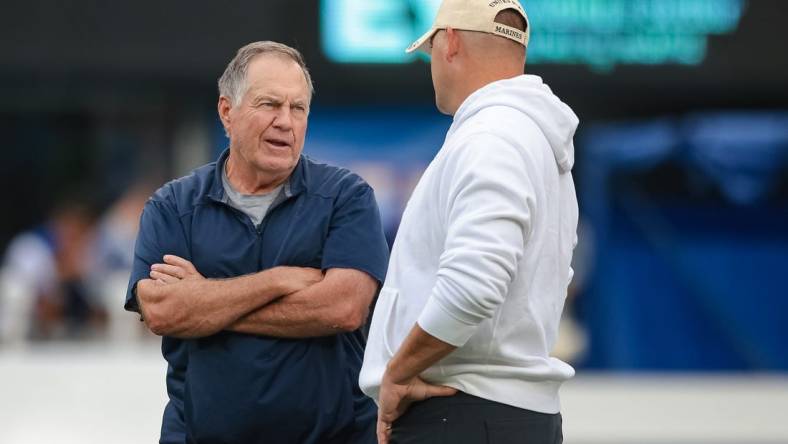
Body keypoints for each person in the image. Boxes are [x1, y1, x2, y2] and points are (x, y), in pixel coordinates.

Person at [125, 41, 389, 444]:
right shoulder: (173, 206)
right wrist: (278, 280)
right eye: (270, 104)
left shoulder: (346, 197)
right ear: (227, 112)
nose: (286, 121)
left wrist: (205, 306)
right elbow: (163, 311)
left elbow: (343, 307)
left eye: (297, 108)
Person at [359, 1, 579, 443]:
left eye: (431, 50)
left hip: (462, 411)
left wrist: (398, 373)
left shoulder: (491, 137)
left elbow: (474, 285)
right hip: (500, 412)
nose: (432, 66)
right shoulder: (533, 141)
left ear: (451, 41)